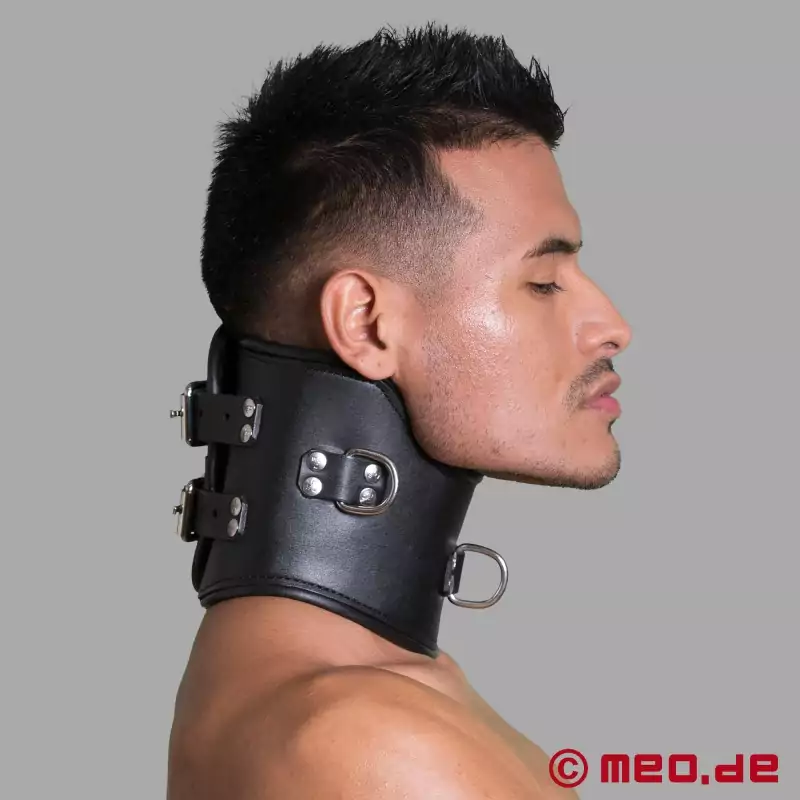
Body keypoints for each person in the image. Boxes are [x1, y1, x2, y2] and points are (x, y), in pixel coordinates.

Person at [167, 23, 632, 799]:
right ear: (366, 323)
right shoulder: (370, 745)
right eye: (544, 283)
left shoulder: (386, 692)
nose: (611, 325)